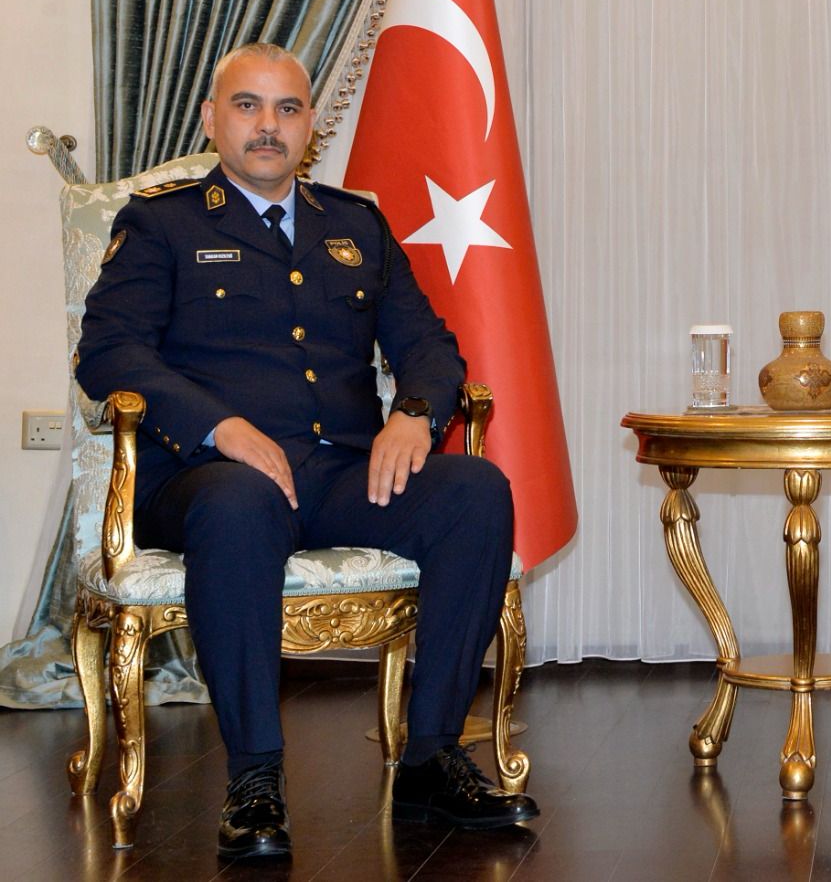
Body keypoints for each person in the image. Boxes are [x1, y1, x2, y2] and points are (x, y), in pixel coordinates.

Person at [76, 42, 537, 858]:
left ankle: (431, 759)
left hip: (339, 472)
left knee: (476, 490)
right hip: (207, 478)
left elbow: (429, 346)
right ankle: (255, 781)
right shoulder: (162, 223)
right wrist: (219, 426)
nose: (268, 125)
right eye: (247, 106)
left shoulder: (354, 225)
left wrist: (415, 416)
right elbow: (109, 353)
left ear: (310, 126)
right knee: (238, 503)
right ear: (211, 119)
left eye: (287, 109)